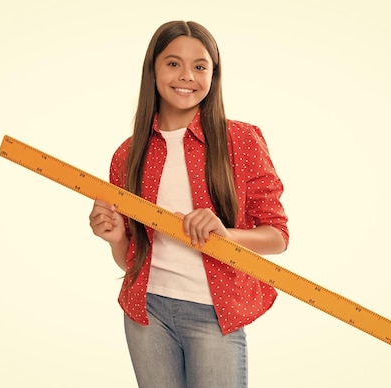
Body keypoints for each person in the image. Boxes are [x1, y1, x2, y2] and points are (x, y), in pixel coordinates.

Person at [89, 20, 289, 388]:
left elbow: (277, 236)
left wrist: (224, 234)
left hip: (215, 314)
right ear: (153, 69)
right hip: (146, 313)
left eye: (200, 66)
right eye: (173, 63)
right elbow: (132, 260)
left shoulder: (241, 140)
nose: (187, 76)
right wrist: (116, 238)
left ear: (214, 74)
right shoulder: (128, 154)